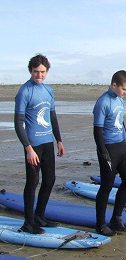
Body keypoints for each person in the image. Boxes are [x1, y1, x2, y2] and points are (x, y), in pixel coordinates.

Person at [14, 54, 65, 234]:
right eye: (36, 72)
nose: (39, 75)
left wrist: (58, 140)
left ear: (47, 71)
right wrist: (28, 148)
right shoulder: (24, 91)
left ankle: (39, 216)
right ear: (30, 71)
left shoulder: (48, 90)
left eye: (43, 72)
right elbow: (18, 123)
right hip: (33, 145)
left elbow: (52, 116)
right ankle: (28, 222)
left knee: (50, 179)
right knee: (33, 181)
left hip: (47, 143)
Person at [93, 70, 126, 236]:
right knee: (106, 186)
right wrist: (103, 153)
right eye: (124, 89)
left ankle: (116, 218)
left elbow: (121, 123)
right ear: (114, 85)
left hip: (121, 146)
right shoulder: (102, 102)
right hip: (108, 148)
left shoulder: (120, 100)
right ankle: (100, 223)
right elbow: (97, 131)